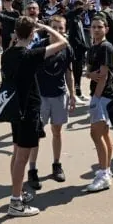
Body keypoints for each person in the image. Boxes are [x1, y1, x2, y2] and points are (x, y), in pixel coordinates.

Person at [2, 16, 69, 217]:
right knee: (22, 157)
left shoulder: (8, 54)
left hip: (15, 109)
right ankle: (15, 201)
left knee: (16, 153)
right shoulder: (31, 55)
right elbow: (63, 42)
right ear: (32, 34)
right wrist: (46, 27)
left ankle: (18, 192)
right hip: (28, 110)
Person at [27, 14, 77, 188]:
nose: (57, 31)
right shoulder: (40, 47)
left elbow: (68, 72)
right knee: (36, 134)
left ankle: (57, 164)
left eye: (61, 28)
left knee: (57, 131)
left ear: (65, 30)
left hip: (59, 95)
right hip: (40, 97)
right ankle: (32, 170)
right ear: (47, 30)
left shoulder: (67, 48)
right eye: (54, 27)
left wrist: (72, 94)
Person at [83, 15, 113, 193]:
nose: (96, 29)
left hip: (103, 96)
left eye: (99, 27)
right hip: (99, 95)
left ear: (106, 29)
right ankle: (107, 170)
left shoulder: (105, 47)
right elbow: (88, 71)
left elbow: (102, 75)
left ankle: (103, 174)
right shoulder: (93, 47)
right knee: (103, 134)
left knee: (95, 134)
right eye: (94, 27)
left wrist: (95, 100)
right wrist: (89, 75)